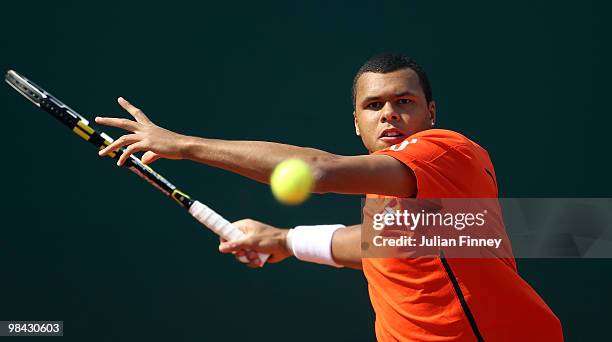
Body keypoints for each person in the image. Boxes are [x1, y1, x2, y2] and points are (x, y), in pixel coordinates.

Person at [96, 53, 563, 341]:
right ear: (356, 123)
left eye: (404, 102)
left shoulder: (446, 152)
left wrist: (183, 145)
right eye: (374, 105)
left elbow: (317, 171)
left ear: (431, 113)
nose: (389, 115)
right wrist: (283, 240)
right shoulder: (396, 193)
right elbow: (379, 246)